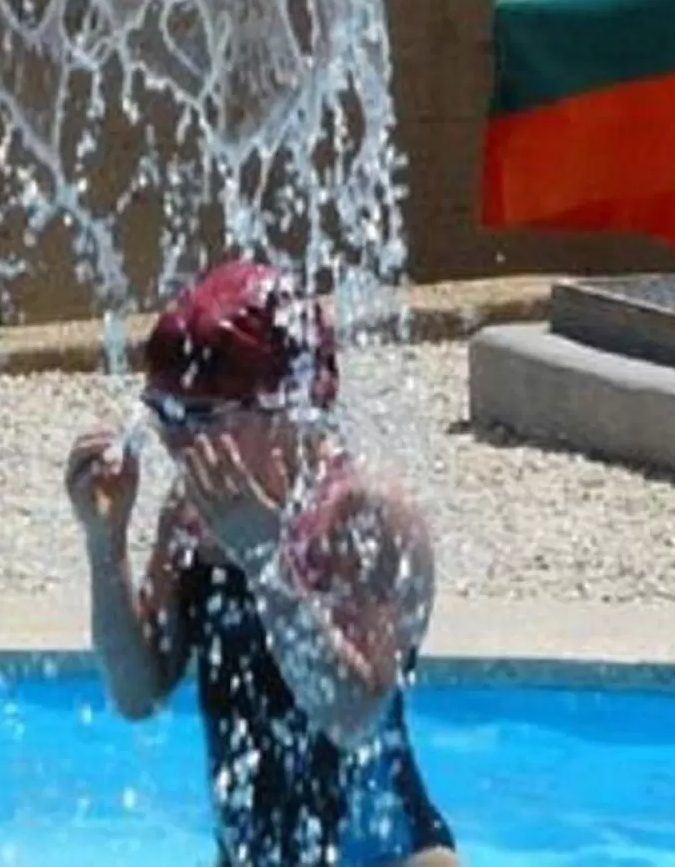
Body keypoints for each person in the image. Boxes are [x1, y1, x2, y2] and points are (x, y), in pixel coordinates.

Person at [64, 259, 460, 867]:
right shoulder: (191, 512)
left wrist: (264, 558)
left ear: (284, 405)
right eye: (163, 414)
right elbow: (137, 693)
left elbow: (353, 715)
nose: (177, 442)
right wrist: (104, 541)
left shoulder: (364, 515)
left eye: (201, 420)